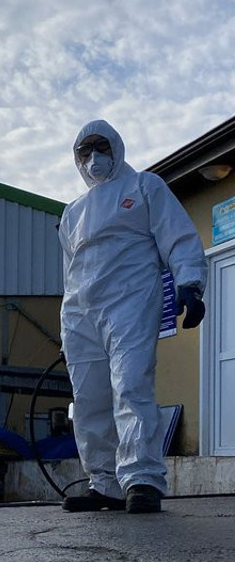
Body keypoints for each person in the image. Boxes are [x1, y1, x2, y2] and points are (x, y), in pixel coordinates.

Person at [58, 119, 207, 514]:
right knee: (88, 398)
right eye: (85, 152)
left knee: (130, 385)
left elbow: (178, 236)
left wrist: (190, 282)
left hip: (130, 302)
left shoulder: (144, 186)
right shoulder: (73, 213)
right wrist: (69, 319)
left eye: (100, 148)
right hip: (80, 312)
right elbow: (70, 270)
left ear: (116, 147)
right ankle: (104, 481)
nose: (93, 158)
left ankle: (142, 478)